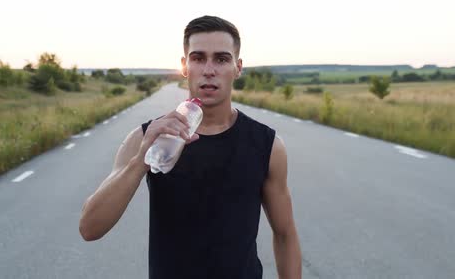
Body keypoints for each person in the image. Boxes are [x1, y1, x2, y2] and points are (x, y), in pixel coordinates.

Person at [79, 15, 302, 278]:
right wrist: (141, 160)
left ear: (238, 67)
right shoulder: (147, 137)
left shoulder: (266, 145)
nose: (209, 69)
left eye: (221, 59)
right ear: (184, 66)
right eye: (198, 58)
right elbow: (90, 228)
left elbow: (285, 235)